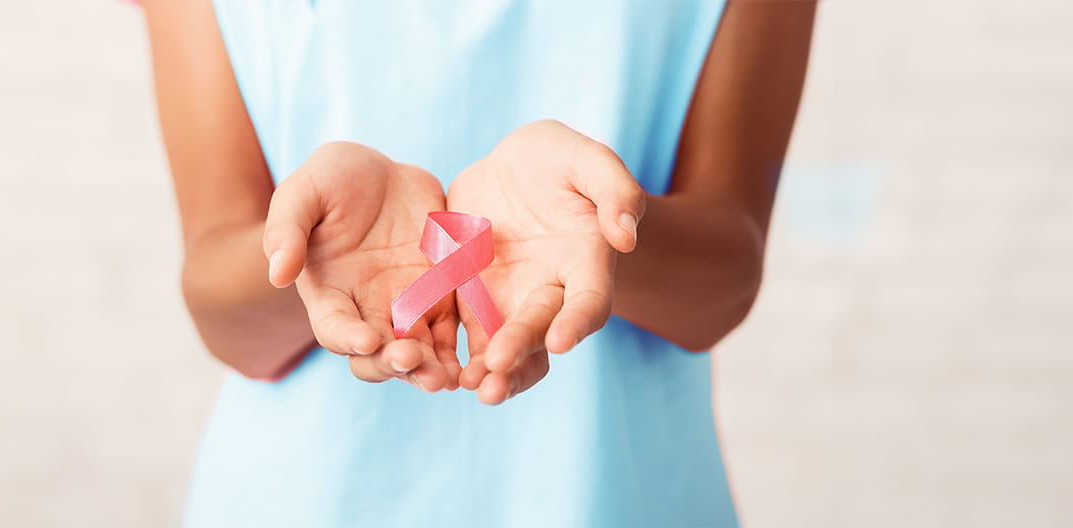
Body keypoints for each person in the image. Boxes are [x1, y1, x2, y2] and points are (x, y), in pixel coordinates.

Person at [142, 0, 815, 525]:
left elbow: (727, 281)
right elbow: (219, 312)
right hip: (301, 499)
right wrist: (312, 255)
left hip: (615, 494)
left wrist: (606, 234)